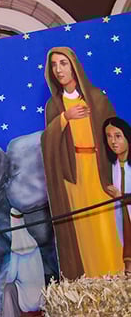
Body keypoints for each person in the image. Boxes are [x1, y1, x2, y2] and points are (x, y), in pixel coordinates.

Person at [41, 47, 121, 278]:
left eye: (63, 63)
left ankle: (116, 275)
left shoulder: (96, 98)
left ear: (74, 65)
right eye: (54, 65)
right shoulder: (54, 106)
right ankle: (92, 278)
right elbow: (47, 142)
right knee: (84, 230)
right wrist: (65, 117)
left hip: (100, 170)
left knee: (106, 226)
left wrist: (115, 174)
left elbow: (114, 134)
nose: (58, 69)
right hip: (73, 175)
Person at [102, 117, 131, 273]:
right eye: (108, 136)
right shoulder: (111, 167)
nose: (113, 141)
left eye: (118, 136)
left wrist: (122, 196)